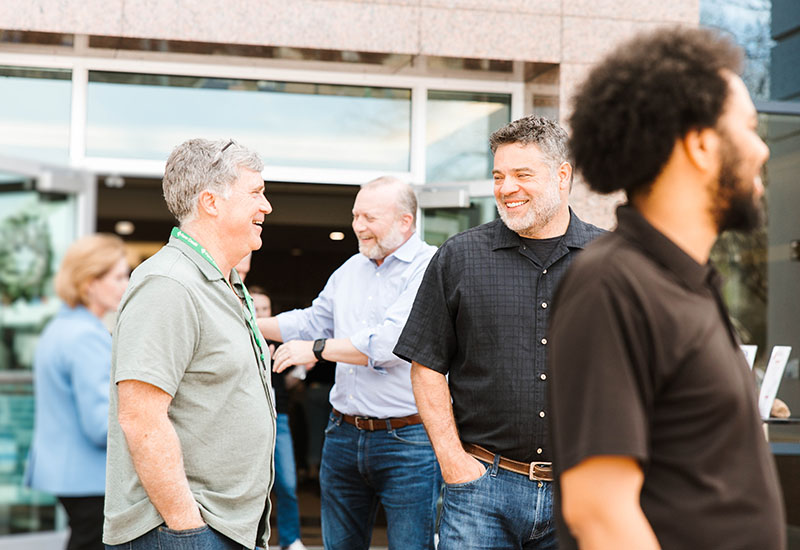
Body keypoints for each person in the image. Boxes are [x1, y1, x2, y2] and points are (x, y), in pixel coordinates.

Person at [547, 27, 785, 550]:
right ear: (700, 144)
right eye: (748, 126)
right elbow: (599, 515)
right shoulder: (612, 284)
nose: (763, 149)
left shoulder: (688, 283)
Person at [394, 115, 604, 550]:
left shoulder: (611, 262)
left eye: (522, 175)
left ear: (562, 175)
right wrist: (453, 463)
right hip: (481, 493)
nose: (506, 188)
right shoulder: (460, 256)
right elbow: (426, 365)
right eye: (498, 176)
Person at [103, 138, 276, 550]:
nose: (266, 206)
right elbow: (140, 418)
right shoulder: (169, 284)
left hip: (217, 529)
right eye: (256, 193)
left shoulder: (225, 282)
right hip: (182, 532)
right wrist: (188, 529)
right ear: (211, 202)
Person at [257, 176, 441, 550]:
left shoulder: (430, 267)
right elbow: (311, 321)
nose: (357, 226)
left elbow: (391, 344)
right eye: (356, 215)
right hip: (343, 434)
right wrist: (249, 323)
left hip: (407, 441)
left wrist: (316, 350)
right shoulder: (350, 269)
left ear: (405, 221)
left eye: (368, 217)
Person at [25, 234, 129, 550]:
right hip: (90, 479)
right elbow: (101, 425)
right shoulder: (86, 337)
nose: (126, 284)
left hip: (69, 476)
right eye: (118, 276)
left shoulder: (61, 327)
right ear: (89, 283)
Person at [249, 285, 307, 550]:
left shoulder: (280, 340)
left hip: (279, 417)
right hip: (248, 420)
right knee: (251, 485)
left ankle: (290, 539)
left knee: (287, 482)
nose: (260, 314)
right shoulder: (240, 335)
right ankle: (253, 540)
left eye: (265, 309)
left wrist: (303, 369)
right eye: (256, 308)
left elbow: (290, 382)